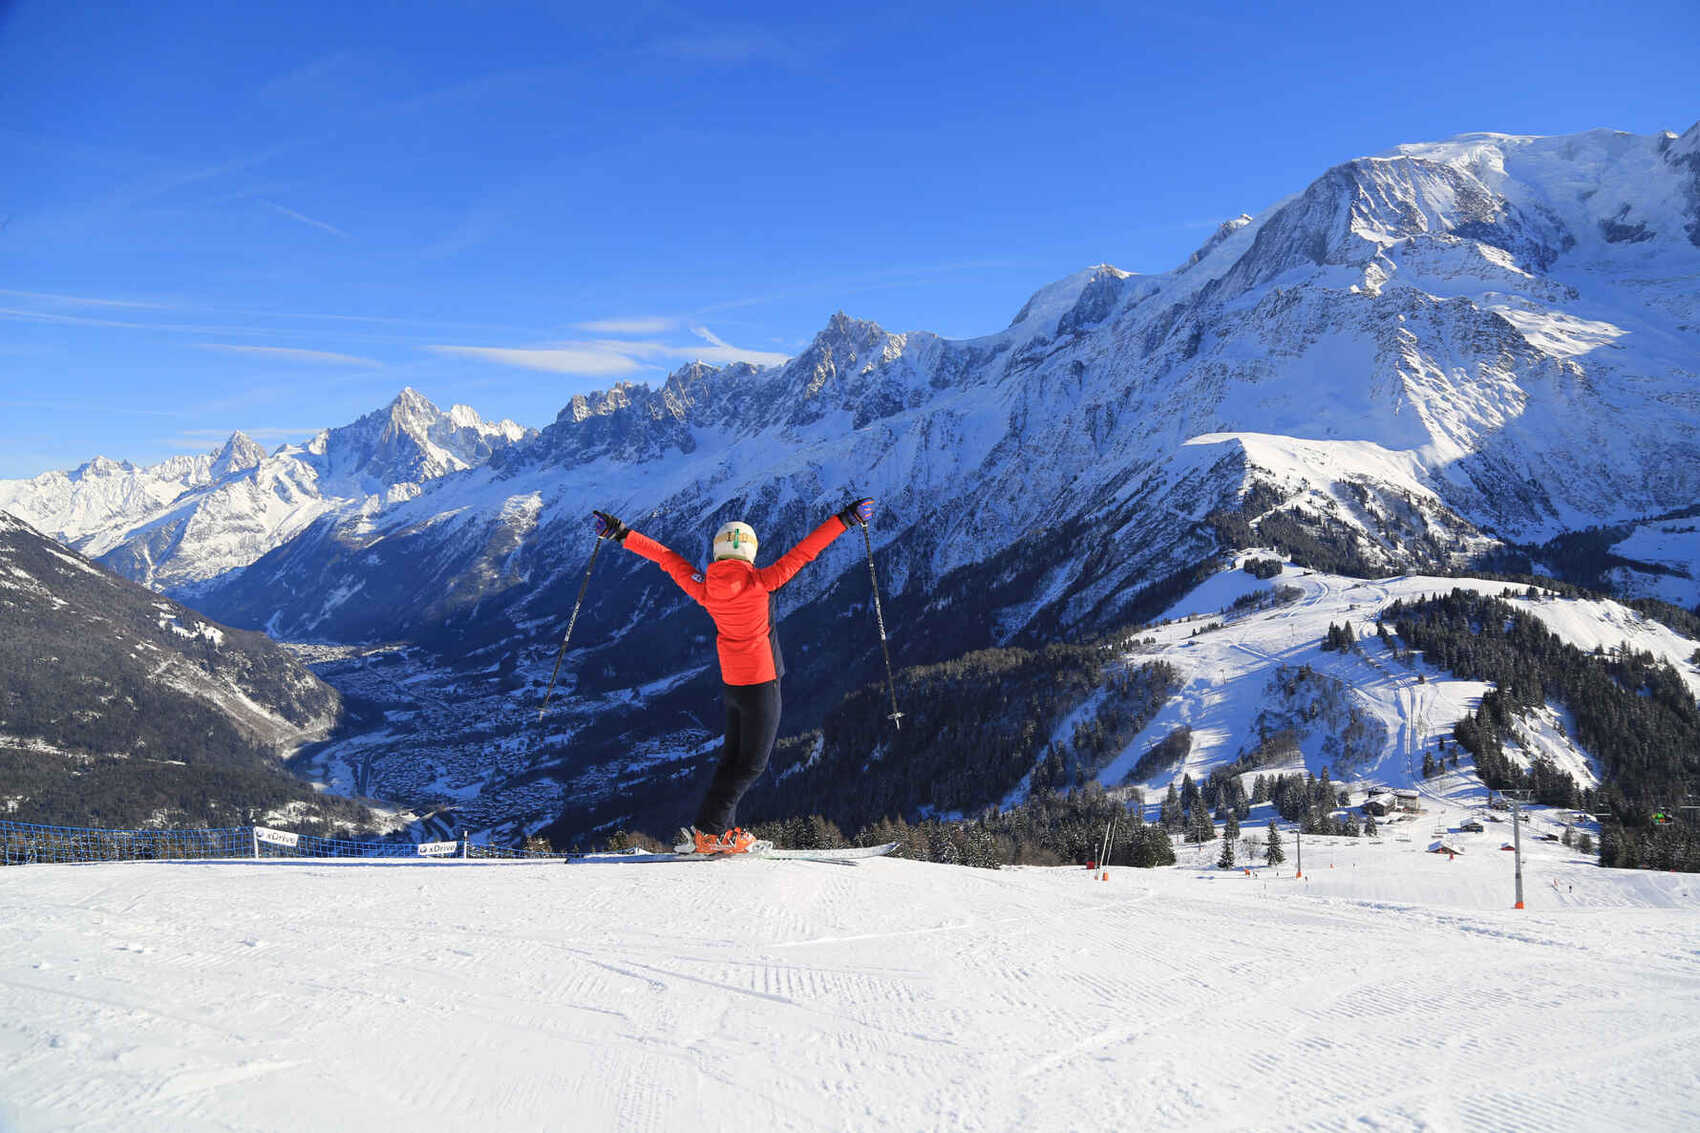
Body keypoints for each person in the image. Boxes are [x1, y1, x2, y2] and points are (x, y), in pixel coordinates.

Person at [591, 498, 876, 853]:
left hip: (733, 685)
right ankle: (710, 832)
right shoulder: (763, 582)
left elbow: (665, 557)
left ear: (717, 553)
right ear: (751, 553)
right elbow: (805, 552)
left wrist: (620, 532)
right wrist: (845, 520)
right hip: (762, 682)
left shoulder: (705, 587)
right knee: (752, 765)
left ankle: (717, 832)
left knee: (732, 760)